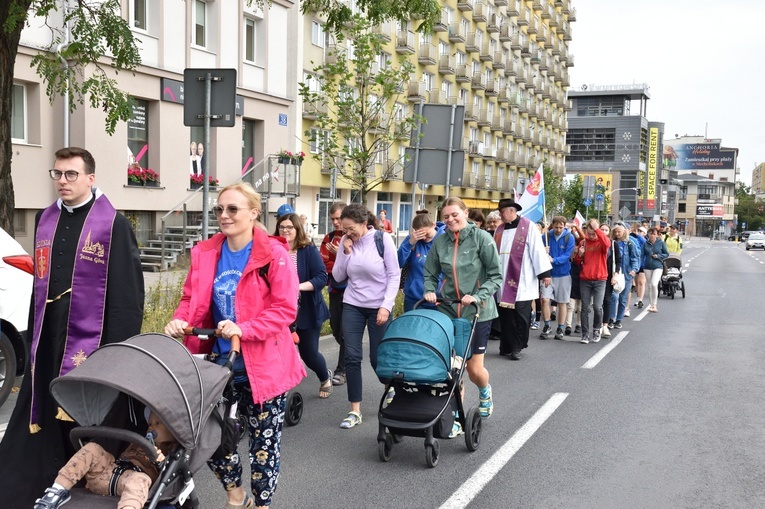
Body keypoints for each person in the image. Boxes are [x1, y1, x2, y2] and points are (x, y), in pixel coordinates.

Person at [0, 147, 145, 508]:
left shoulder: (113, 224)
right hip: (49, 332)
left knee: (84, 409)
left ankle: (87, 480)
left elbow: (127, 293)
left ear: (90, 179)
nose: (62, 182)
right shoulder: (44, 219)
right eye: (58, 174)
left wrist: (118, 349)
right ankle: (36, 482)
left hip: (91, 336)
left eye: (71, 175)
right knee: (43, 404)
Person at [164, 182, 305, 508]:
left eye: (232, 209)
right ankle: (235, 494)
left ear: (254, 213)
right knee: (210, 439)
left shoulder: (274, 255)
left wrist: (244, 328)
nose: (224, 215)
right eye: (219, 209)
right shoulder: (207, 252)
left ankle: (262, 502)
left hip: (266, 365)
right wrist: (179, 319)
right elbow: (190, 299)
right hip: (219, 364)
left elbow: (285, 310)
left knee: (263, 446)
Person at [423, 197, 501, 430]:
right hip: (448, 309)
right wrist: (429, 290)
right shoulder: (441, 242)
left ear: (465, 213)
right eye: (446, 216)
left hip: (477, 311)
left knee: (473, 369)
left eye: (455, 214)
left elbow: (496, 276)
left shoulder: (482, 239)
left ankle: (484, 390)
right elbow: (430, 272)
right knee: (451, 368)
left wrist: (478, 295)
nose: (450, 219)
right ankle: (456, 417)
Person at [332, 205, 400, 429]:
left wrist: (386, 306)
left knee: (377, 358)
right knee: (351, 357)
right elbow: (338, 276)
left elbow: (393, 275)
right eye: (344, 230)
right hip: (352, 304)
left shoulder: (382, 240)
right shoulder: (346, 243)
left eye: (350, 229)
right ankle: (355, 410)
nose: (347, 233)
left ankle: (390, 387)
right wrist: (345, 252)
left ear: (363, 223)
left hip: (378, 306)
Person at [33, 411, 177, 509]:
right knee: (93, 448)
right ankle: (57, 491)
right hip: (106, 474)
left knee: (139, 479)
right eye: (150, 423)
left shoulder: (170, 452)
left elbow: (169, 478)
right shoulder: (138, 441)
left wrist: (161, 462)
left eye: (158, 423)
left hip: (130, 483)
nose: (151, 426)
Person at [274, 213, 332, 398]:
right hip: (281, 311)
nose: (285, 230)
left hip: (307, 310)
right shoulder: (274, 249)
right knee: (278, 353)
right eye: (282, 227)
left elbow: (321, 277)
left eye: (289, 227)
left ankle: (324, 377)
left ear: (297, 229)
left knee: (309, 354)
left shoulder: (307, 250)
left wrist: (296, 287)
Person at [492, 199, 552, 360]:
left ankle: (518, 346)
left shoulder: (528, 226)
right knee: (505, 316)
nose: (500, 214)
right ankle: (506, 346)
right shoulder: (499, 229)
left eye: (502, 211)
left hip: (523, 279)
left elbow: (537, 250)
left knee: (521, 316)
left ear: (512, 211)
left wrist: (545, 273)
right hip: (503, 279)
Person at [320, 202, 348, 386]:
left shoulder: (355, 236)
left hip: (353, 291)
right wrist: (336, 261)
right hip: (335, 289)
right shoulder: (329, 237)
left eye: (339, 218)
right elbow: (325, 264)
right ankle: (350, 353)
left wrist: (341, 255)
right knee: (336, 328)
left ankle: (342, 369)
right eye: (333, 219)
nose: (336, 222)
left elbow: (358, 264)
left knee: (346, 332)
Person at [397, 212, 446, 312]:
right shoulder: (412, 240)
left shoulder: (444, 240)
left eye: (426, 234)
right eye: (420, 235)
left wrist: (444, 294)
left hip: (437, 298)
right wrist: (409, 244)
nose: (423, 238)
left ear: (433, 225)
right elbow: (399, 262)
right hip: (413, 298)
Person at [572, 219, 610, 344]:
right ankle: (585, 334)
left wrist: (598, 229)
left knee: (598, 307)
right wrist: (579, 255)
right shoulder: (583, 242)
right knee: (585, 307)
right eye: (589, 233)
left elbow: (607, 244)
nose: (591, 236)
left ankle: (596, 329)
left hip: (600, 279)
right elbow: (577, 262)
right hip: (586, 279)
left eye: (594, 233)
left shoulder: (602, 241)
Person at [540, 216, 575, 340]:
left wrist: (553, 260)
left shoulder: (569, 237)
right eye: (556, 227)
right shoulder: (546, 236)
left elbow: (567, 255)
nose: (558, 229)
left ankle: (560, 327)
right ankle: (547, 324)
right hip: (548, 274)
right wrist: (543, 251)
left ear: (565, 226)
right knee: (545, 300)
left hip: (563, 274)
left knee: (562, 302)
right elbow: (538, 251)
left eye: (561, 227)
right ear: (552, 225)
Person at [610, 222, 640, 329]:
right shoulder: (611, 243)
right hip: (614, 273)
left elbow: (635, 257)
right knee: (613, 296)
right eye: (616, 232)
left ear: (624, 232)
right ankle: (611, 318)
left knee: (623, 298)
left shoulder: (630, 244)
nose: (617, 234)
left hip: (626, 274)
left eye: (619, 232)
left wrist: (634, 269)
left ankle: (618, 319)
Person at [642, 227, 669, 313]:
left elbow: (666, 254)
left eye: (654, 234)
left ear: (657, 235)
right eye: (650, 234)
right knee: (649, 286)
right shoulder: (645, 244)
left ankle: (654, 304)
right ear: (648, 234)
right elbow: (641, 255)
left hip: (658, 266)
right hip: (647, 267)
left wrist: (658, 256)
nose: (652, 236)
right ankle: (651, 305)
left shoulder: (661, 243)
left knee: (654, 284)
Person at [629, 224, 648, 309]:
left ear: (644, 233)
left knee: (641, 282)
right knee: (636, 282)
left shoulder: (645, 240)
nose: (639, 232)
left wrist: (638, 235)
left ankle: (641, 299)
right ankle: (637, 298)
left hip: (643, 263)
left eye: (641, 231)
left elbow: (644, 243)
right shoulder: (633, 239)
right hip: (636, 263)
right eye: (638, 231)